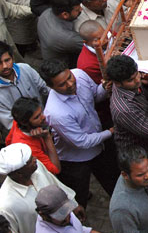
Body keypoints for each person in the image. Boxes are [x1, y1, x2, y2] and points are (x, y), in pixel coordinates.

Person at [40, 59, 118, 207]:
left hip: (98, 147)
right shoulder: (56, 113)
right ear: (51, 87)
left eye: (69, 77)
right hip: (76, 160)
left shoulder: (80, 75)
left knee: (113, 182)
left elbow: (94, 95)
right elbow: (82, 141)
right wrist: (110, 132)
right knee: (78, 198)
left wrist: (104, 87)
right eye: (62, 84)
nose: (70, 84)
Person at [0, 143, 83, 233]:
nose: (35, 159)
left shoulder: (37, 167)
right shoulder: (5, 205)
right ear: (19, 173)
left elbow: (56, 184)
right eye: (30, 161)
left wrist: (73, 204)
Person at [107, 55, 148, 185]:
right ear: (118, 83)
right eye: (131, 79)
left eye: (137, 74)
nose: (138, 80)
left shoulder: (132, 84)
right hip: (141, 156)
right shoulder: (123, 108)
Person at [0, 41, 48, 134]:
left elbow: (45, 88)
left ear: (13, 58)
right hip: (25, 135)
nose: (5, 66)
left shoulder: (25, 69)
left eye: (7, 60)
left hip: (45, 120)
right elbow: (10, 124)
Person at [34, 184, 117, 233]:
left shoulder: (62, 215)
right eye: (61, 215)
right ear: (43, 215)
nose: (68, 218)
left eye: (67, 211)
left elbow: (75, 231)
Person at [6, 97, 60, 174]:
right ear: (25, 122)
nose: (43, 117)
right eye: (37, 117)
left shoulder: (17, 123)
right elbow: (56, 169)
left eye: (41, 112)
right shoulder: (28, 148)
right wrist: (47, 138)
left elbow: (8, 140)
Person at [37, 0, 84, 67]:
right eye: (77, 9)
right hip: (65, 67)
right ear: (65, 14)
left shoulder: (47, 13)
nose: (81, 9)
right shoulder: (66, 37)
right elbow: (92, 45)